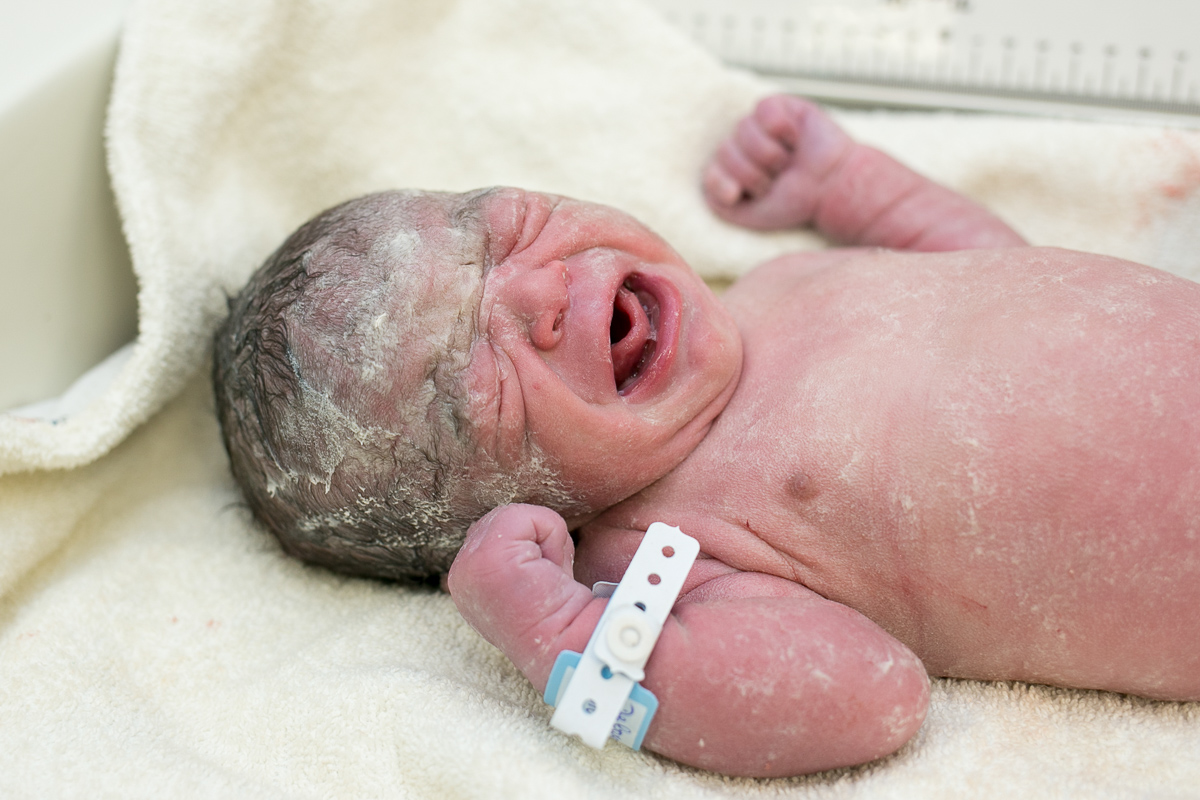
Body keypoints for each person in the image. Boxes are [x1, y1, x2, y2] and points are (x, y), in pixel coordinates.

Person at [213, 95, 1200, 777]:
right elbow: (870, 696)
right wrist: (563, 637)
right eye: (472, 371)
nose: (538, 290)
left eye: (504, 228)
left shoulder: (765, 286)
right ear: (507, 515)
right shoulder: (665, 553)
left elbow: (996, 273)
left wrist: (851, 187)